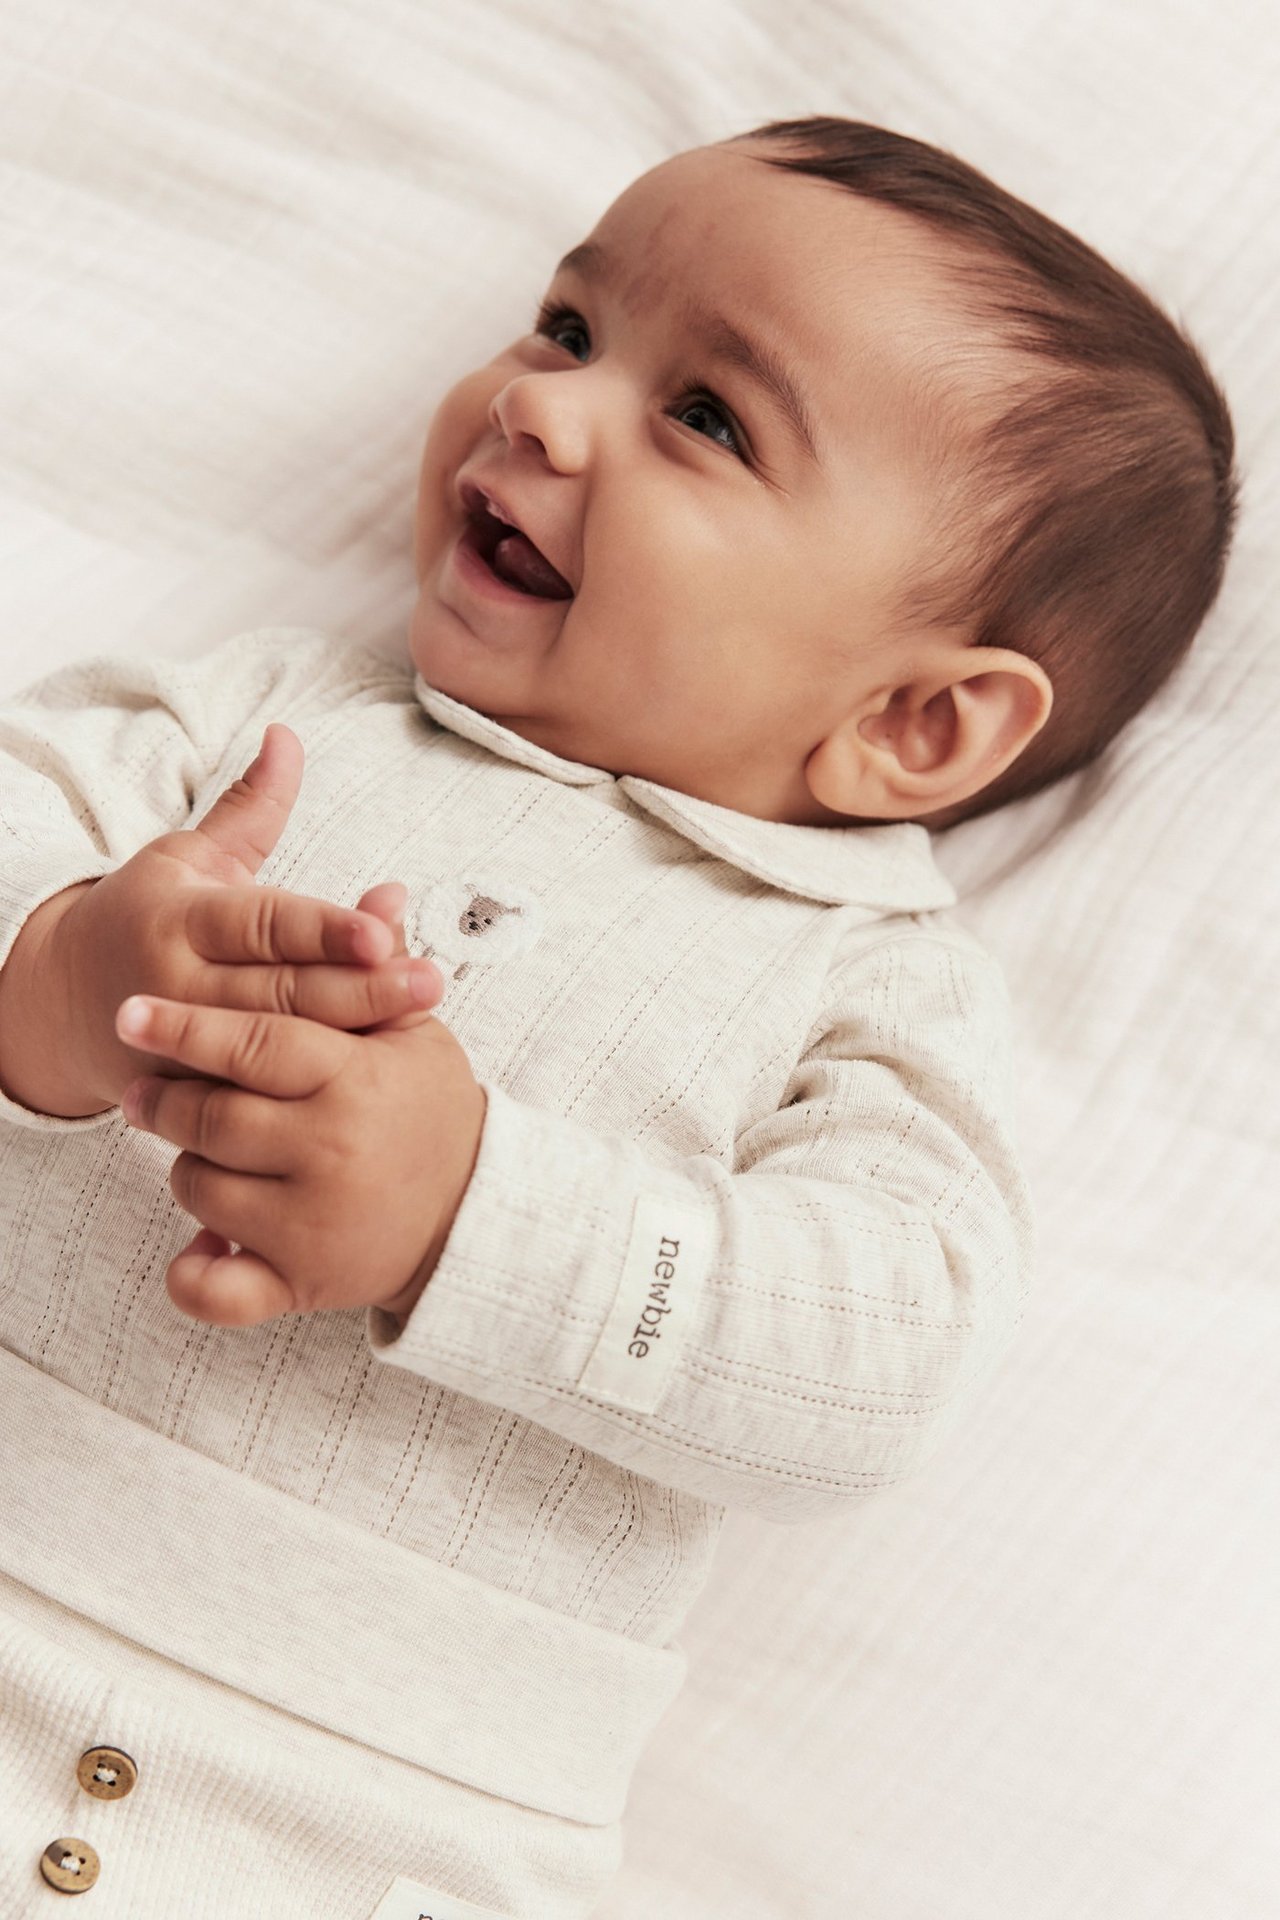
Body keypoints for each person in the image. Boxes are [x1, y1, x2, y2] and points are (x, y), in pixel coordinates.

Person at [0, 118, 1237, 1919]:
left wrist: (475, 1216)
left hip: (388, 1817)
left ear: (915, 726)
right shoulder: (263, 725)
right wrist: (60, 971)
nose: (540, 409)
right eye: (566, 325)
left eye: (709, 418)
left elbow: (878, 1362)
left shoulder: (859, 983)